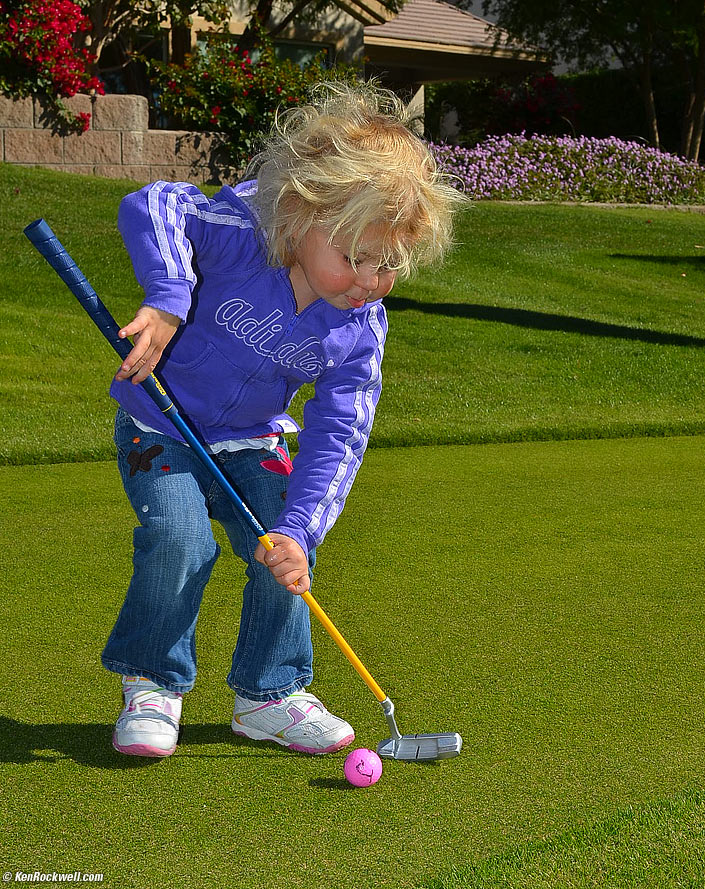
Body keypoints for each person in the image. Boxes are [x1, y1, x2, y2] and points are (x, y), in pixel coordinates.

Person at [103, 80, 466, 758]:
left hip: (253, 439)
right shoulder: (238, 235)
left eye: (389, 264)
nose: (367, 278)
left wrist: (301, 526)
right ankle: (152, 681)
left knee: (284, 548)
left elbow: (340, 432)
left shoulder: (359, 327)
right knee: (183, 541)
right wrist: (169, 295)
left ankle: (269, 694)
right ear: (299, 216)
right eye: (355, 255)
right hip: (161, 426)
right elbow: (152, 203)